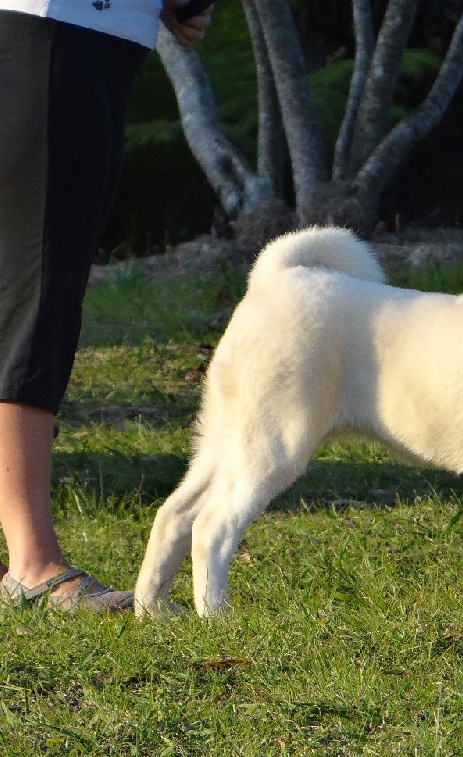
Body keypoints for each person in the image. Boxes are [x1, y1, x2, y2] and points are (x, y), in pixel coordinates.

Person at [0, 1, 213, 611]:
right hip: (54, 32)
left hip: (77, 35)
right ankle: (33, 562)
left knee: (27, 286)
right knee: (38, 293)